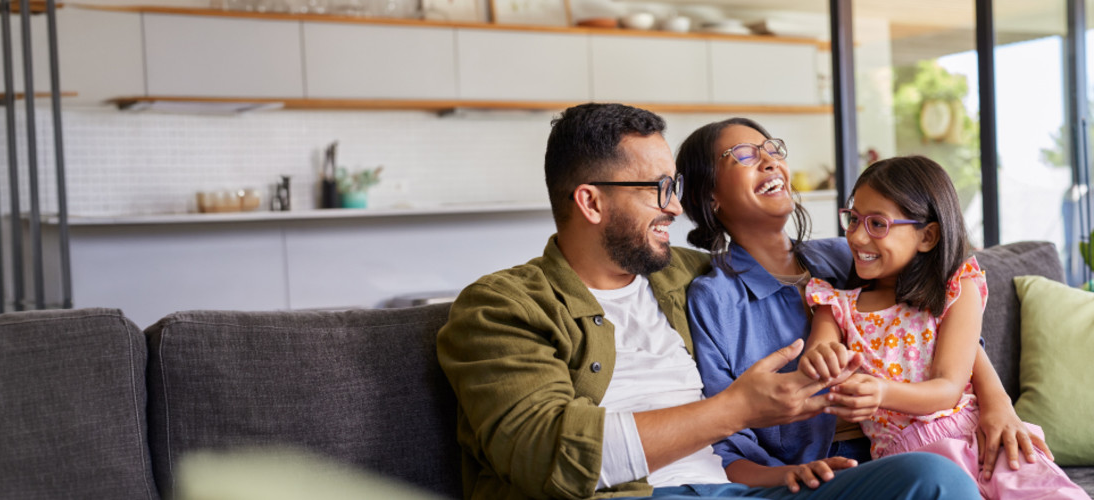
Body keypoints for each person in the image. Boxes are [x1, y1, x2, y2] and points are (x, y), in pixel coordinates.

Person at [435, 103, 978, 500]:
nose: (674, 209)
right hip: (641, 495)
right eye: (658, 190)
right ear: (591, 202)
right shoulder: (500, 308)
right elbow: (548, 455)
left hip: (743, 492)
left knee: (936, 479)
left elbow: (931, 296)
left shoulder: (685, 277)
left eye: (675, 189)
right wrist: (740, 407)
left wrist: (993, 402)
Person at [677, 119, 1050, 493]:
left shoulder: (848, 255)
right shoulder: (715, 299)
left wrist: (998, 404)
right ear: (709, 196)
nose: (770, 161)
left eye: (772, 149)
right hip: (828, 473)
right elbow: (721, 440)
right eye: (743, 155)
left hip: (929, 437)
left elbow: (942, 324)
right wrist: (786, 475)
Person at [798, 156, 1089, 499]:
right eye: (854, 219)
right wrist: (821, 359)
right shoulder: (835, 305)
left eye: (878, 224)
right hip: (912, 461)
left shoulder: (956, 288)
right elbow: (819, 351)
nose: (858, 236)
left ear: (928, 236)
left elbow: (949, 387)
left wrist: (882, 393)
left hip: (983, 436)